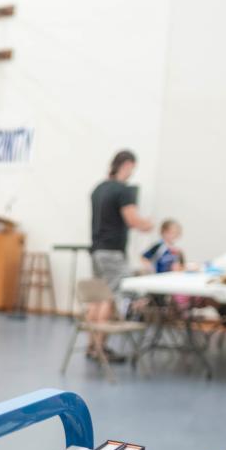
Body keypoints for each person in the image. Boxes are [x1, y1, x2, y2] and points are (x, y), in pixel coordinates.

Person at [89, 150, 153, 361]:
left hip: (97, 249)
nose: (132, 173)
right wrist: (148, 224)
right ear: (127, 165)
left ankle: (92, 346)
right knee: (110, 297)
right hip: (113, 252)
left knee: (96, 299)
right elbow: (133, 220)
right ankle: (100, 349)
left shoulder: (98, 189)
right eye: (132, 168)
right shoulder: (123, 190)